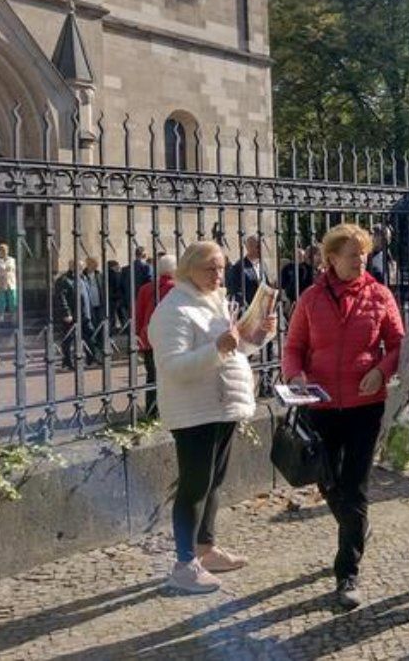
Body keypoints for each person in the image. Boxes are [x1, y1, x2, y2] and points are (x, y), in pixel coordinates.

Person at [282, 223, 404, 608]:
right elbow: (294, 346)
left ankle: (347, 573)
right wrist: (294, 375)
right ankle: (356, 527)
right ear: (331, 258)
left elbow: (399, 344)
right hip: (319, 406)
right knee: (328, 483)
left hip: (365, 407)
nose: (360, 261)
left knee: (355, 487)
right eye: (352, 255)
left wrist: (381, 370)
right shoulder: (310, 299)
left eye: (364, 254)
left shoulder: (380, 295)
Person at [148, 240, 276, 594]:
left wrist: (258, 337)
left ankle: (205, 548)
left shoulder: (214, 300)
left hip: (222, 406)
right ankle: (184, 563)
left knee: (214, 482)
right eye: (210, 268)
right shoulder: (174, 309)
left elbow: (233, 352)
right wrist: (219, 346)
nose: (219, 275)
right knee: (193, 485)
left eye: (221, 267)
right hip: (194, 411)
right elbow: (173, 366)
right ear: (189, 269)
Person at [135, 255, 176, 419]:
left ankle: (152, 410)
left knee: (151, 375)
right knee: (170, 375)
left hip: (149, 337)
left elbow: (138, 315)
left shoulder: (145, 288)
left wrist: (138, 337)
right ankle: (168, 409)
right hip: (170, 338)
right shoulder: (177, 288)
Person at [227, 235, 265, 309]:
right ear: (249, 248)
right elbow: (235, 292)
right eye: (258, 247)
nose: (261, 250)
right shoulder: (238, 268)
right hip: (248, 310)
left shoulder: (263, 265)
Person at [0, 242, 17, 319]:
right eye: (1, 250)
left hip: (10, 282)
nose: (3, 252)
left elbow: (13, 270)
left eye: (5, 250)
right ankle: (1, 315)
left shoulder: (12, 260)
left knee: (13, 299)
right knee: (1, 300)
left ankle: (13, 314)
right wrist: (0, 273)